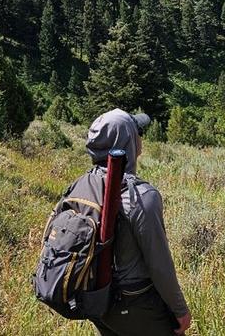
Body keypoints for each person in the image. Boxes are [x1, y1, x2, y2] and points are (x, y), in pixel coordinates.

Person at [75, 109, 192, 336]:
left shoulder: (81, 186)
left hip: (95, 301)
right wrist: (180, 310)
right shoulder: (141, 197)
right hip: (133, 301)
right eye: (138, 132)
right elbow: (159, 264)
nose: (141, 138)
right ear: (127, 140)